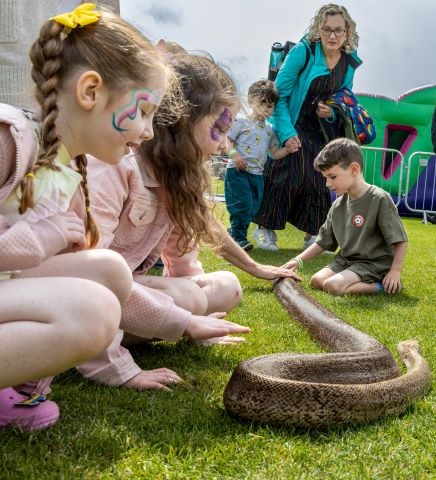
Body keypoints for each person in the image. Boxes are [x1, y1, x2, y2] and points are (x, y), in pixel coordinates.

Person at [84, 53, 300, 390]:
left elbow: (183, 265)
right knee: (190, 300)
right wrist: (123, 369)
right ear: (181, 119)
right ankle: (90, 344)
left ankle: (136, 329)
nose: (221, 144)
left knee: (225, 286)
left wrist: (199, 327)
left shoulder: (178, 179)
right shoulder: (117, 165)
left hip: (126, 295)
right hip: (90, 299)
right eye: (217, 129)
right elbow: (86, 281)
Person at [1, 3, 166, 430]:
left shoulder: (67, 169)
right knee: (90, 311)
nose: (147, 132)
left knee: (107, 270)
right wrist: (37, 242)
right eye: (144, 112)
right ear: (91, 91)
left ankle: (15, 387)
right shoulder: (9, 141)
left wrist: (181, 322)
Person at [253, 4, 362, 252]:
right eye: (327, 30)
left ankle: (313, 234)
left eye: (338, 30)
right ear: (319, 29)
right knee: (287, 174)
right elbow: (278, 96)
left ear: (347, 32)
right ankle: (264, 229)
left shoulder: (348, 62)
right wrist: (287, 133)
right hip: (293, 121)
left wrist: (332, 112)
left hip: (320, 129)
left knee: (318, 178)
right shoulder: (303, 52)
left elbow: (343, 98)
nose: (332, 36)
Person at [283, 138, 408, 295]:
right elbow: (322, 242)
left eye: (332, 177)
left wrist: (395, 271)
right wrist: (297, 261)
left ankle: (382, 286)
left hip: (373, 264)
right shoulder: (337, 205)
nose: (328, 183)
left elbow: (400, 240)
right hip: (346, 261)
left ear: (354, 169)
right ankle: (351, 281)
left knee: (333, 286)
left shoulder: (379, 198)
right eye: (325, 178)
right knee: (316, 281)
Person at [224, 79, 296, 251]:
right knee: (243, 204)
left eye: (270, 106)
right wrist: (235, 155)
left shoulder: (270, 129)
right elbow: (226, 140)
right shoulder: (241, 121)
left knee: (253, 209)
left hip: (258, 176)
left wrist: (287, 149)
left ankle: (233, 231)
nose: (266, 109)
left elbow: (274, 153)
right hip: (238, 172)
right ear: (251, 101)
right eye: (262, 103)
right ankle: (238, 238)